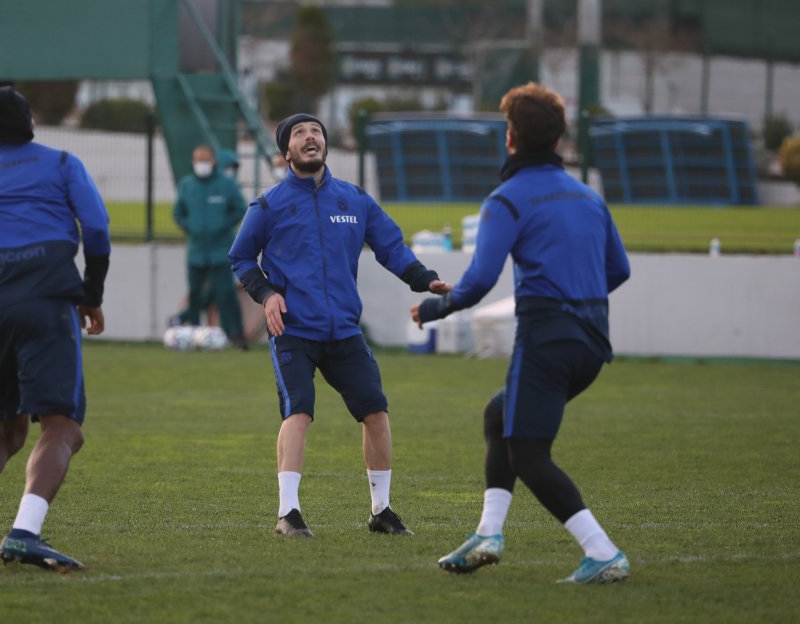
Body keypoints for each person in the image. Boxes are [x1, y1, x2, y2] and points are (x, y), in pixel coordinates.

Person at [412, 83, 632, 584]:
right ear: (559, 142)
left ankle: (602, 552)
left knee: (528, 453)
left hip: (547, 338)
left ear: (510, 139)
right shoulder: (588, 198)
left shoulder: (506, 200)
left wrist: (433, 308)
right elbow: (617, 270)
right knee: (499, 415)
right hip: (592, 343)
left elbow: (479, 281)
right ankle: (489, 532)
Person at [229, 113, 450, 537]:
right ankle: (288, 514)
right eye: (299, 133)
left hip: (345, 330)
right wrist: (267, 294)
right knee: (299, 413)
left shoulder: (355, 200)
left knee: (377, 414)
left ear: (325, 145)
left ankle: (381, 511)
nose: (310, 137)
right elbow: (240, 257)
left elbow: (392, 248)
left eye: (316, 131)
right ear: (286, 151)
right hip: (293, 329)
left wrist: (424, 279)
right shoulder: (269, 205)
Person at [0, 86, 111, 572]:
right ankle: (24, 533)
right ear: (28, 119)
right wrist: (91, 294)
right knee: (63, 427)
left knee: (6, 431)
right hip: (47, 300)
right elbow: (96, 229)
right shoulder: (59, 163)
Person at [173, 144, 248, 348]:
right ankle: (195, 335)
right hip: (196, 251)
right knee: (195, 295)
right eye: (198, 160)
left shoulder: (226, 184)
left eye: (205, 160)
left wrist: (223, 226)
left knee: (226, 295)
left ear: (213, 162)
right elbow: (178, 213)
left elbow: (240, 208)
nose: (201, 164)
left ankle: (236, 335)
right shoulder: (187, 185)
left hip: (221, 251)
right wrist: (190, 227)